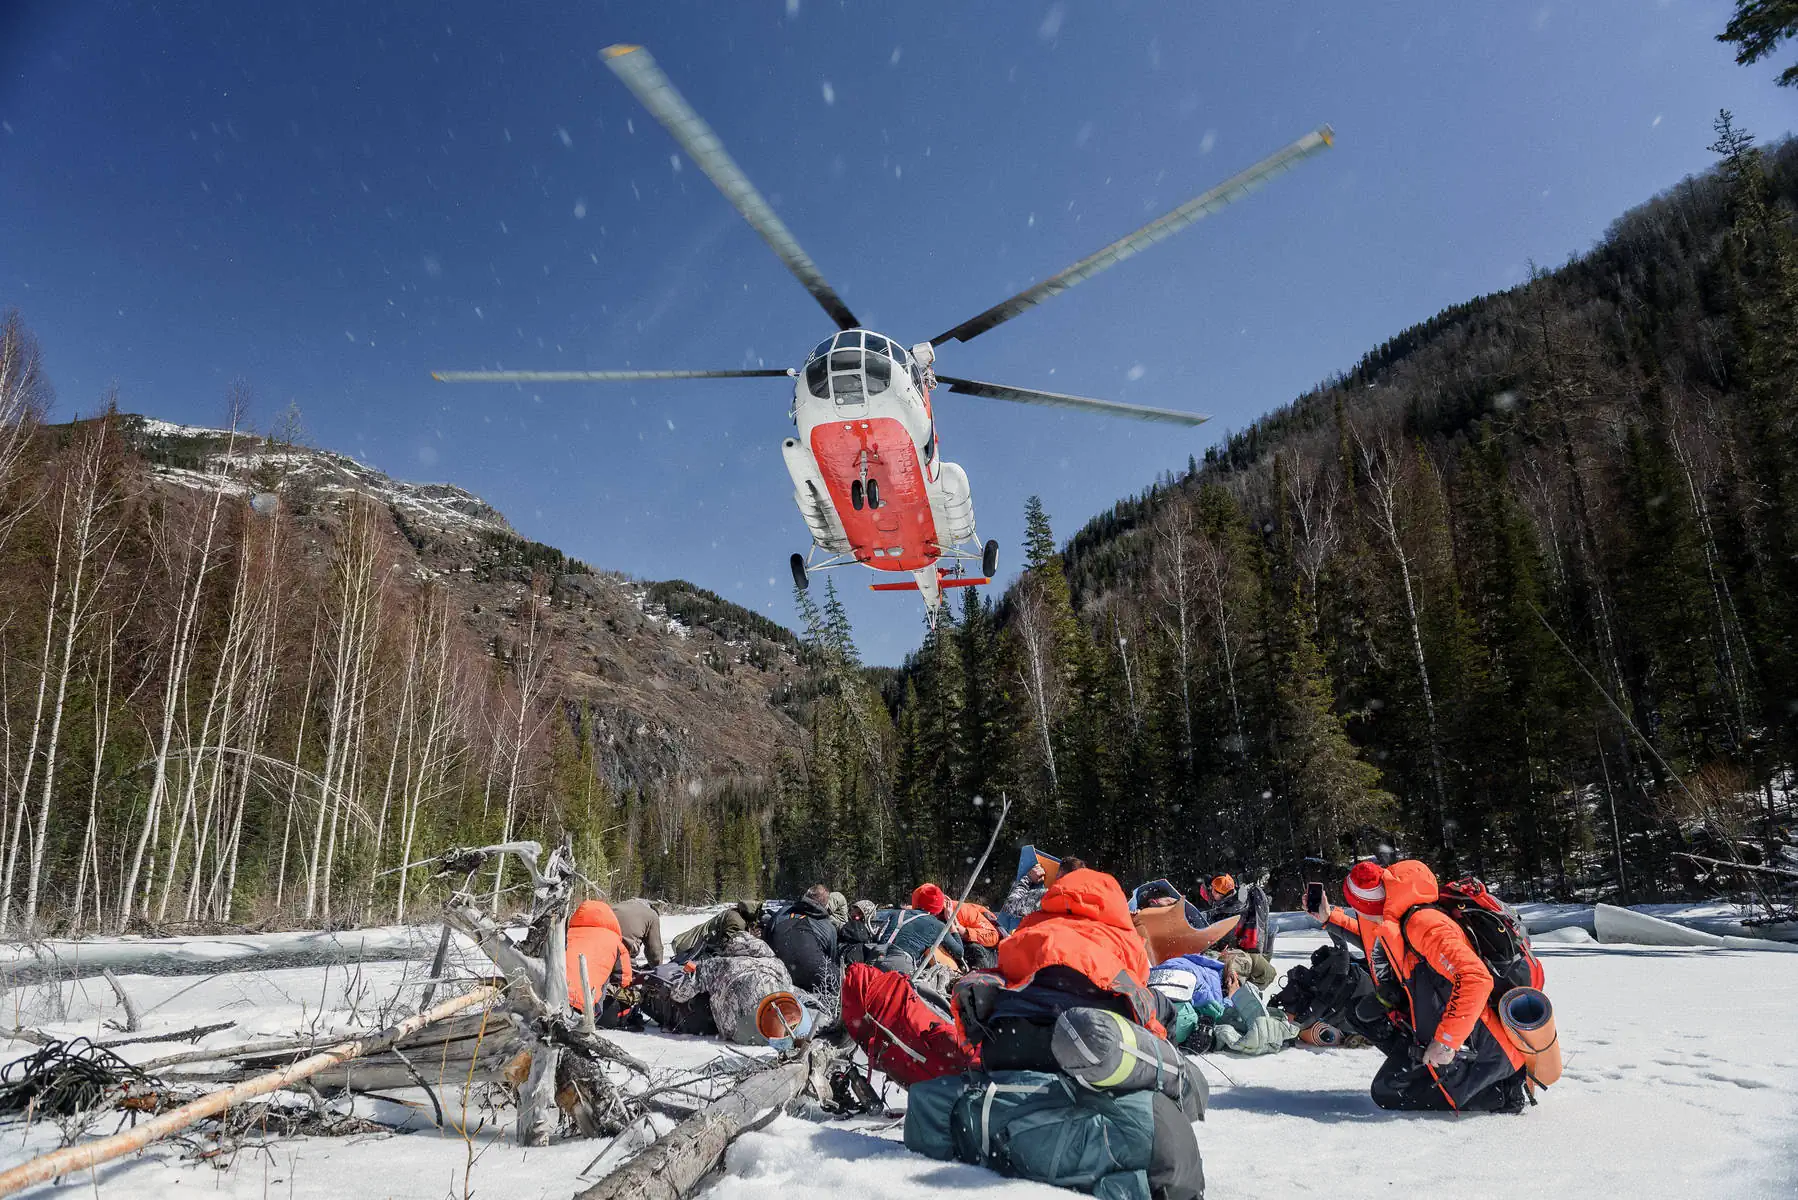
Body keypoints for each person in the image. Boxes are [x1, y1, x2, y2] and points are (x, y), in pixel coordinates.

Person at [1312, 859, 1527, 1113]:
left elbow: (1475, 979)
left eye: (1356, 905)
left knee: (1388, 1092)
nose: (1355, 911)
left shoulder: (1425, 925)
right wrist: (1329, 918)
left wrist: (1446, 1041)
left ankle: (1501, 1092)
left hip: (1484, 1048)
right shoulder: (1392, 916)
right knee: (1361, 1013)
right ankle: (1428, 1066)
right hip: (1444, 1029)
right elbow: (1370, 937)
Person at [956, 865, 1171, 1070]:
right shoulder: (1124, 935)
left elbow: (1010, 913)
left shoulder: (1037, 911)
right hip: (1093, 1036)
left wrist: (1026, 882)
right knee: (1157, 1004)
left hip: (1010, 1034)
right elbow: (1138, 984)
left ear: (1061, 881)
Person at [668, 928, 802, 1045]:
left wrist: (687, 975)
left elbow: (679, 994)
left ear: (731, 948)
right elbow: (789, 990)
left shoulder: (717, 964)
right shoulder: (777, 964)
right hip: (774, 1030)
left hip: (739, 1034)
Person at [565, 900, 631, 1021]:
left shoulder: (566, 934)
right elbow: (623, 979)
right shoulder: (615, 941)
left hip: (553, 998)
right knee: (604, 979)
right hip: (585, 1006)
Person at [765, 884, 839, 992]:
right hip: (812, 981)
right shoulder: (829, 927)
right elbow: (831, 958)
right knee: (838, 975)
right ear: (826, 904)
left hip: (778, 973)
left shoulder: (781, 912)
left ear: (806, 896)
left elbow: (766, 938)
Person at [1196, 873, 1275, 972]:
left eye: (1213, 890)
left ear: (1219, 894)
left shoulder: (1230, 911)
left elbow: (1222, 942)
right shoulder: (1236, 901)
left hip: (1240, 958)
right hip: (1244, 955)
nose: (1211, 893)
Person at [869, 895, 967, 969]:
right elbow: (959, 952)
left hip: (874, 957)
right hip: (900, 966)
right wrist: (950, 920)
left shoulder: (897, 912)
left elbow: (872, 915)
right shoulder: (939, 926)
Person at [670, 901, 756, 962]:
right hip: (689, 948)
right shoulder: (737, 921)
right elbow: (729, 947)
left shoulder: (734, 913)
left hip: (687, 943)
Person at [610, 897, 666, 968]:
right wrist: (658, 969)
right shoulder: (651, 914)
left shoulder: (617, 906)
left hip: (597, 952)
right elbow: (655, 951)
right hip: (620, 959)